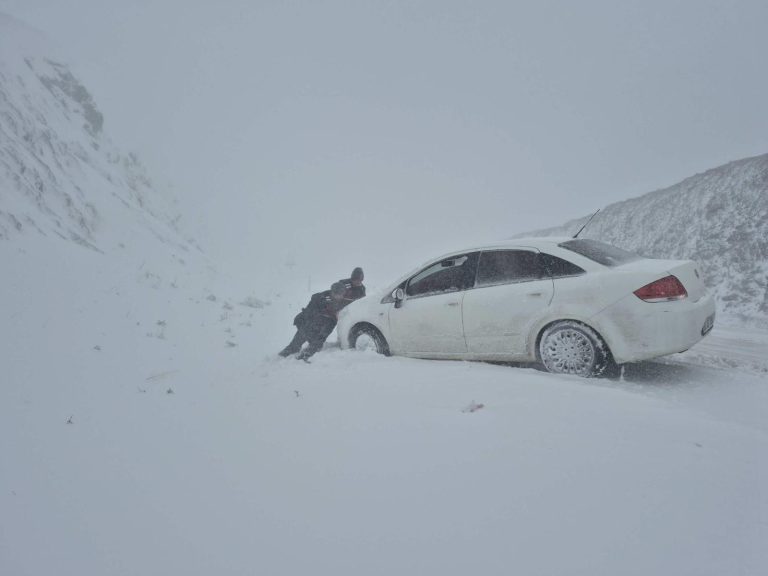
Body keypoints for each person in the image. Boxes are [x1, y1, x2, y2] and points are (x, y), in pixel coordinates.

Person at [279, 281, 347, 360]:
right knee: (296, 343)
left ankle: (304, 357)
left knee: (317, 344)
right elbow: (309, 311)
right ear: (333, 292)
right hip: (310, 322)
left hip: (327, 325)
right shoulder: (320, 297)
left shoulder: (343, 302)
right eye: (338, 294)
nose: (340, 296)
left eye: (342, 294)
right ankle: (279, 358)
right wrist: (321, 312)